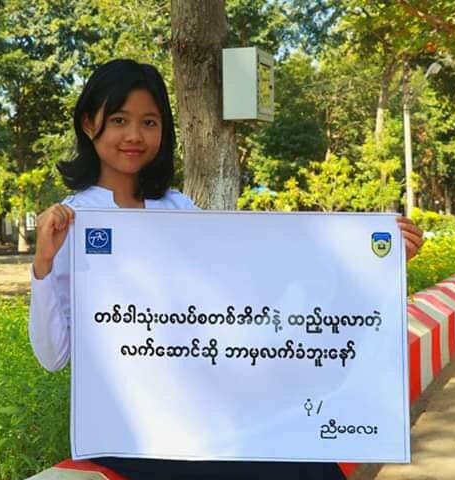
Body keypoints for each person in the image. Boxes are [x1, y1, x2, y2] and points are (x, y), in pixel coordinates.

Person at [29, 59, 424, 480]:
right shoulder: (72, 222)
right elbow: (53, 357)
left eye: (149, 122)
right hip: (134, 433)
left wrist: (377, 262)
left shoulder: (179, 209)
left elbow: (249, 293)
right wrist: (43, 266)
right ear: (89, 123)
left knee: (313, 464)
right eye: (119, 120)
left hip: (208, 414)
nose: (134, 136)